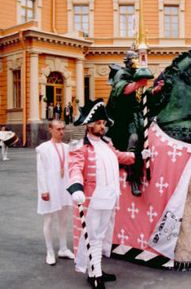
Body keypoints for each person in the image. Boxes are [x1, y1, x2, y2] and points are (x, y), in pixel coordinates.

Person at [68, 98, 142, 289]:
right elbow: (75, 168)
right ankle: (95, 275)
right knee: (92, 236)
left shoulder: (106, 143)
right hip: (93, 200)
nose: (102, 127)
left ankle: (96, 271)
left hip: (109, 197)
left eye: (103, 123)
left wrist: (139, 156)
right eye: (99, 123)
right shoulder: (80, 146)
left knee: (100, 235)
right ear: (89, 125)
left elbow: (119, 157)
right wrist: (76, 187)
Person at [106, 50, 154, 196]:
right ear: (128, 61)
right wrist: (138, 84)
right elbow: (121, 89)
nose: (136, 62)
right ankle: (133, 178)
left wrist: (154, 90)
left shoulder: (137, 75)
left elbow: (142, 96)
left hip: (137, 114)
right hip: (124, 116)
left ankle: (147, 170)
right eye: (134, 59)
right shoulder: (121, 74)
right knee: (133, 140)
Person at [36, 120, 75, 265]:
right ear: (50, 129)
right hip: (50, 188)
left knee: (64, 220)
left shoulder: (67, 148)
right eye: (58, 129)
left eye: (63, 129)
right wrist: (44, 190)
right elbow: (41, 171)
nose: (62, 132)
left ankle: (63, 248)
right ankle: (50, 251)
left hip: (64, 187)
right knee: (49, 220)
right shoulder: (43, 148)